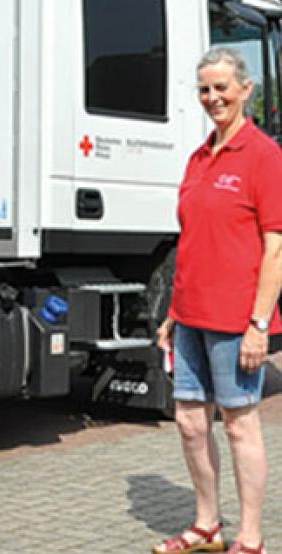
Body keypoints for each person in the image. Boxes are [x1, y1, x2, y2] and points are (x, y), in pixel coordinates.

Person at [154, 47, 282, 554]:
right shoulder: (198, 156)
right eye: (205, 89)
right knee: (189, 422)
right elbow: (193, 241)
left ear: (246, 89)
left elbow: (276, 246)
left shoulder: (265, 156)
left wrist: (259, 323)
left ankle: (249, 535)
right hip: (190, 315)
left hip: (236, 318)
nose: (213, 98)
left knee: (238, 424)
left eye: (222, 88)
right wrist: (172, 312)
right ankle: (207, 524)